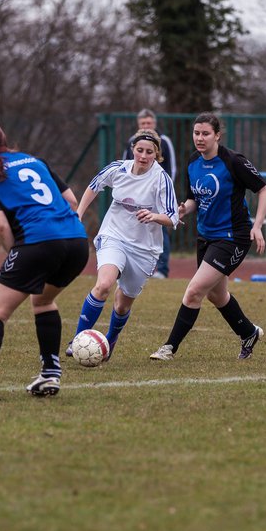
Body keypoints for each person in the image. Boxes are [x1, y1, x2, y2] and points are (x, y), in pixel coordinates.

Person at [0, 119, 89, 402]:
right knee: (44, 301)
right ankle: (50, 373)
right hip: (77, 242)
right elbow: (72, 201)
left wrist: (17, 253)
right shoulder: (35, 160)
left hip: (38, 243)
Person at [150, 112, 266, 362]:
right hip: (206, 237)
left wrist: (257, 226)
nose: (200, 138)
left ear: (217, 135)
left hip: (233, 237)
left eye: (206, 133)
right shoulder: (193, 162)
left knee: (194, 291)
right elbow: (194, 199)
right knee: (216, 295)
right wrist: (183, 208)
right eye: (196, 133)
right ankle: (248, 333)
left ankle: (169, 348)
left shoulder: (233, 161)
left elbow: (264, 189)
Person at [73, 128, 178, 360]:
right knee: (103, 285)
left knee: (122, 304)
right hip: (114, 236)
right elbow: (94, 186)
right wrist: (78, 213)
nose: (143, 155)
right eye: (139, 150)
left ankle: (110, 339)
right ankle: (78, 339)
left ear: (156, 154)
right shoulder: (117, 169)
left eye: (149, 152)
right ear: (133, 149)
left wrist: (154, 217)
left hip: (144, 249)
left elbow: (173, 217)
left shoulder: (161, 179)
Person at [120, 109, 177, 277]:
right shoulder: (132, 141)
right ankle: (131, 265)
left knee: (159, 228)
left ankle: (162, 269)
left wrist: (164, 194)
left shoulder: (164, 141)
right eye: (143, 123)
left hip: (157, 195)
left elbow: (172, 169)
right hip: (135, 195)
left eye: (149, 123)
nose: (146, 126)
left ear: (154, 123)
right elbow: (124, 167)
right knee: (132, 227)